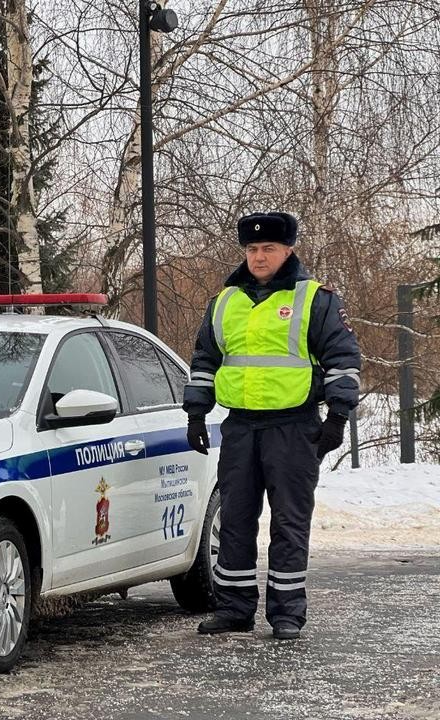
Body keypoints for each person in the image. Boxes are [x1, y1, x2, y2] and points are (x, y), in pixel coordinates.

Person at [183, 211, 361, 640]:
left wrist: (337, 417)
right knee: (236, 520)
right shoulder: (225, 301)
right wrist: (195, 413)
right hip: (240, 427)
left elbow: (343, 360)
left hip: (294, 427)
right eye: (252, 249)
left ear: (288, 250)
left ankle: (286, 614)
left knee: (289, 522)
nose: (259, 257)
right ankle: (234, 608)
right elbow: (206, 359)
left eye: (268, 249)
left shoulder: (315, 299)